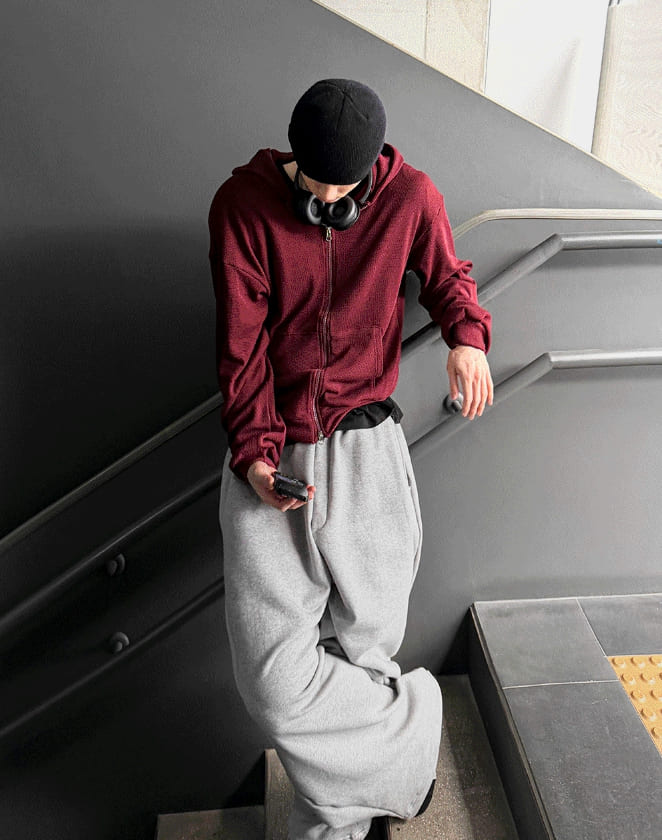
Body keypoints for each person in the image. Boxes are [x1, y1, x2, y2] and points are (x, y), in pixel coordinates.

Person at [209, 78, 493, 840]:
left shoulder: (412, 199)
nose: (329, 197)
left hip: (367, 448)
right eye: (314, 182)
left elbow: (449, 278)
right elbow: (241, 351)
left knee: (367, 649)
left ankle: (329, 828)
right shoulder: (242, 207)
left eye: (346, 186)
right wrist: (256, 457)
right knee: (274, 684)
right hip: (272, 450)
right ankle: (416, 723)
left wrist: (467, 340)